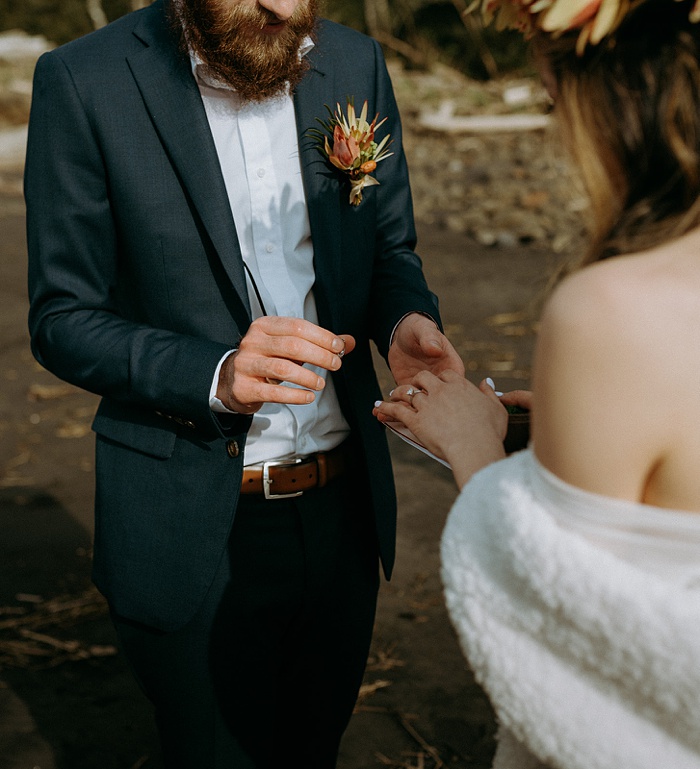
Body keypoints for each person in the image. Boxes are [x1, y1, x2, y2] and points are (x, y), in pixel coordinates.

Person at [24, 1, 465, 766]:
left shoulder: (354, 62)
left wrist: (403, 325)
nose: (285, 8)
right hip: (191, 523)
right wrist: (217, 374)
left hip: (342, 518)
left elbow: (390, 248)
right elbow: (62, 315)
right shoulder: (84, 80)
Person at [374, 1, 700, 767]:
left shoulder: (612, 311)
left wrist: (473, 448)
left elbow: (562, 623)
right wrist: (554, 442)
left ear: (622, 99)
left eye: (557, 102)